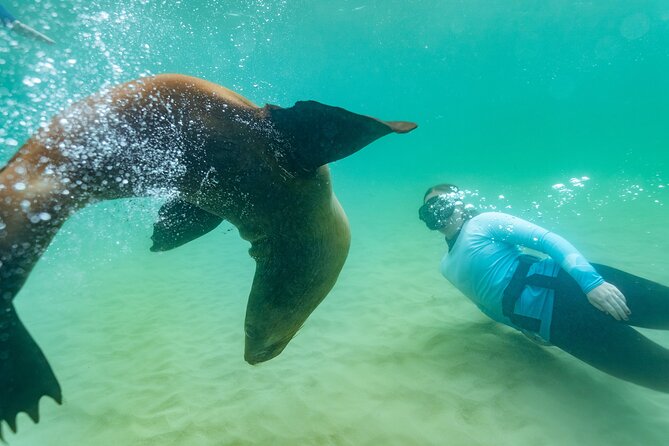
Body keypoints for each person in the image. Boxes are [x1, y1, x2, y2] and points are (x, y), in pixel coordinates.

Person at [419, 183, 669, 392]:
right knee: (658, 373)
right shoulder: (446, 266)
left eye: (441, 201)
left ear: (460, 204)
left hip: (571, 286)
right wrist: (523, 328)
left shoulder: (483, 222)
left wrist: (592, 283)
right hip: (558, 328)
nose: (436, 210)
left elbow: (548, 240)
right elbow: (485, 303)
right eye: (429, 207)